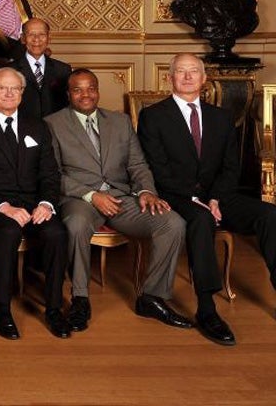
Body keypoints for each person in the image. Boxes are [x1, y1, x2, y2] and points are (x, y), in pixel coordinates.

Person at [138, 53, 276, 346]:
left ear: (204, 79)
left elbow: (230, 166)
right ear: (170, 78)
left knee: (269, 214)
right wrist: (194, 198)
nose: (187, 77)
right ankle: (207, 309)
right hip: (177, 196)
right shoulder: (153, 116)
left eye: (193, 72)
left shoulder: (222, 117)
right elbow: (157, 169)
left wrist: (214, 198)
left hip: (218, 196)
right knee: (200, 220)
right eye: (180, 72)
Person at [46, 68, 189, 333]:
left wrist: (146, 191)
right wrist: (92, 196)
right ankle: (80, 298)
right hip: (81, 198)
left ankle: (152, 297)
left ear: (98, 91)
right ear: (68, 94)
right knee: (76, 225)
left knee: (172, 223)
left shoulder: (120, 121)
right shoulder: (52, 123)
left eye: (90, 88)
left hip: (122, 197)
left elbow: (137, 164)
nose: (85, 94)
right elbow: (53, 175)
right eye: (78, 89)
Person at [0, 66, 70, 340]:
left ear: (22, 93)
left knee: (57, 233)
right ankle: (2, 309)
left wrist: (46, 204)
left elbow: (50, 172)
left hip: (35, 204)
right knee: (8, 232)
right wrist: (4, 207)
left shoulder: (38, 126)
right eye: (3, 88)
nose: (9, 93)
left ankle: (54, 308)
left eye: (15, 88)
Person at [12, 18, 71, 120]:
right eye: (31, 34)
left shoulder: (63, 70)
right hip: (22, 130)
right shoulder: (9, 70)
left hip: (55, 130)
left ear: (49, 38)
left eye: (42, 35)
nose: (36, 39)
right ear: (22, 38)